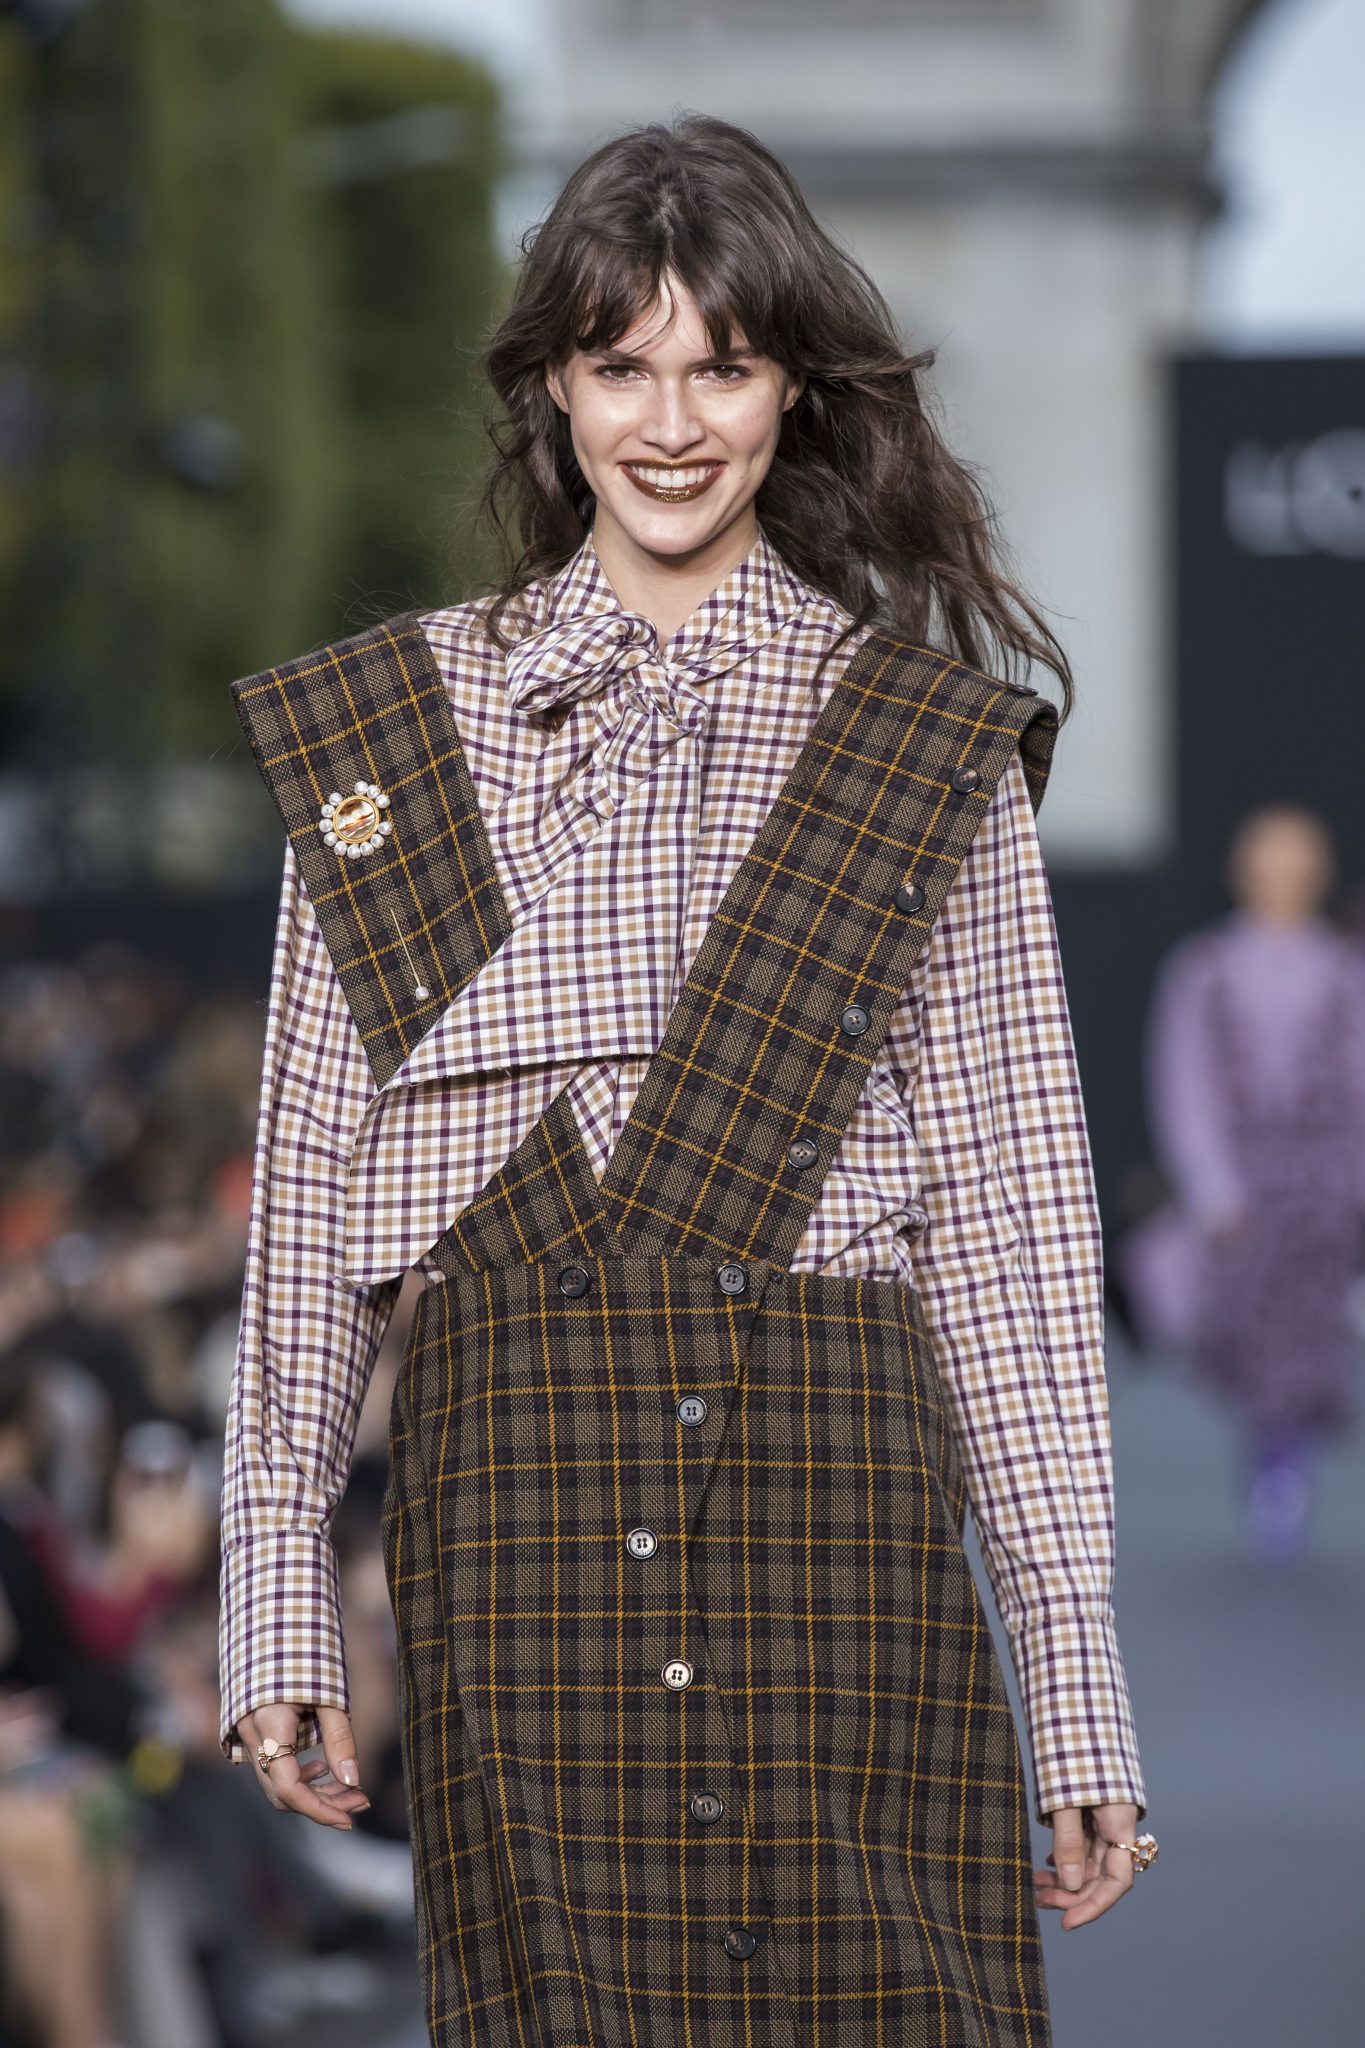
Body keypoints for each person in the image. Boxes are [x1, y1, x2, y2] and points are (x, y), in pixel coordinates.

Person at [217, 114, 1155, 2047]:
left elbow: (1011, 1232)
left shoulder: (922, 751)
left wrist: (1074, 1673)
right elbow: (310, 1205)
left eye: (721, 367)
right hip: (519, 1493)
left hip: (838, 1492)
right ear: (550, 387)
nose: (669, 422)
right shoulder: (386, 734)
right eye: (620, 363)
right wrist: (277, 1592)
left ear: (792, 387)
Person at [1132, 805, 1365, 1565]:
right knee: (1245, 1334)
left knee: (1308, 1336)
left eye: (1297, 861)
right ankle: (1269, 1450)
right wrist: (1211, 1186)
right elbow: (1185, 1083)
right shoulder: (1204, 969)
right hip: (1243, 1189)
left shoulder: (1345, 972)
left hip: (1324, 1189)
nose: (1282, 876)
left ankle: (1284, 1464)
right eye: (1269, 860)